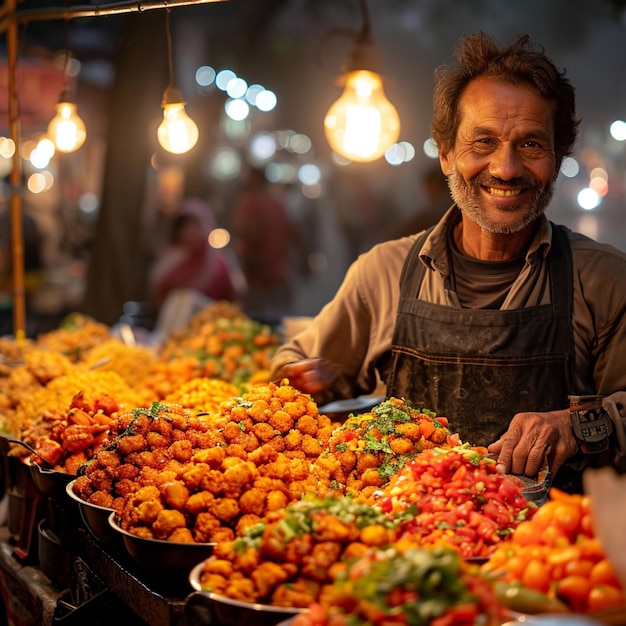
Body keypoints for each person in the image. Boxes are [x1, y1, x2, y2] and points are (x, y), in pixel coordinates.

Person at [270, 32, 626, 493]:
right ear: (445, 156)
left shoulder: (604, 280)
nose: (506, 168)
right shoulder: (383, 272)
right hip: (402, 554)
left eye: (532, 145)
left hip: (549, 553)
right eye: (483, 142)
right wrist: (301, 381)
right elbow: (291, 368)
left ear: (556, 161)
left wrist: (575, 427)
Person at [231, 167, 306, 323]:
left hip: (258, 278)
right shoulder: (277, 203)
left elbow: (250, 233)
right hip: (280, 277)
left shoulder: (250, 203)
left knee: (256, 329)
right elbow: (294, 232)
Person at [148, 198, 238, 310]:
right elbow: (158, 291)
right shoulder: (172, 258)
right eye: (186, 226)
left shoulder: (219, 263)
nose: (191, 231)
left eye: (196, 225)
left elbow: (231, 297)